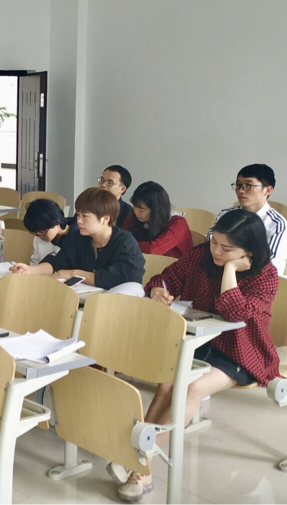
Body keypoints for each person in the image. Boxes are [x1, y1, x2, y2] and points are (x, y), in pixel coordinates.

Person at [107, 209, 281, 501]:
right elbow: (163, 279)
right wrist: (158, 292)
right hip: (199, 342)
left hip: (241, 352)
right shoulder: (201, 256)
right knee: (166, 383)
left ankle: (139, 458)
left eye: (227, 249)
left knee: (193, 387)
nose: (217, 251)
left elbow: (235, 311)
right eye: (215, 242)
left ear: (249, 251)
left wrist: (230, 269)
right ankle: (138, 459)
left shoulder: (266, 275)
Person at [11, 188, 145, 289]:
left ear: (105, 219)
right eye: (78, 215)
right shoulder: (80, 238)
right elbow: (58, 263)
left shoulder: (125, 242)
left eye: (85, 216)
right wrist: (30, 270)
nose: (79, 221)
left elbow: (123, 277)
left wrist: (74, 273)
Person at [209, 164, 286, 277]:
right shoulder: (225, 214)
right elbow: (208, 247)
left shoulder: (277, 225)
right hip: (218, 274)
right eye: (238, 185)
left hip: (257, 281)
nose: (241, 190)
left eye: (248, 185)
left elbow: (268, 267)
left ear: (267, 190)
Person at [122, 181, 193, 258]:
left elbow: (152, 249)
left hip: (174, 264)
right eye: (134, 207)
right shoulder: (133, 218)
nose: (136, 212)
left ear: (156, 210)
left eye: (141, 210)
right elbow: (120, 238)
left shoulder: (178, 224)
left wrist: (127, 244)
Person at [23, 198, 78, 265]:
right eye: (36, 232)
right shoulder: (38, 238)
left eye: (42, 230)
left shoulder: (77, 237)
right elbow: (35, 263)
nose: (39, 235)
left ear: (56, 220)